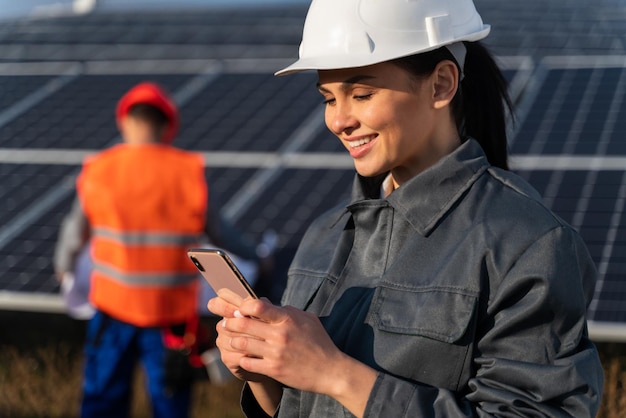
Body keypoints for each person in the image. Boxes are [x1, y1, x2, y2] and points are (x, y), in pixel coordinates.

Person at [207, 0, 605, 417]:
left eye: (362, 94)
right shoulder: (324, 236)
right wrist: (264, 372)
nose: (338, 120)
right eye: (328, 98)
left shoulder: (527, 243)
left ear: (441, 85)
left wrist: (336, 374)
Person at [53, 82, 270, 418]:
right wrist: (258, 259)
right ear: (167, 126)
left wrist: (63, 265)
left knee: (102, 399)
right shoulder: (186, 171)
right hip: (169, 317)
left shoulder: (100, 168)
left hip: (112, 311)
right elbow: (222, 233)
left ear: (125, 122)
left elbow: (73, 232)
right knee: (170, 402)